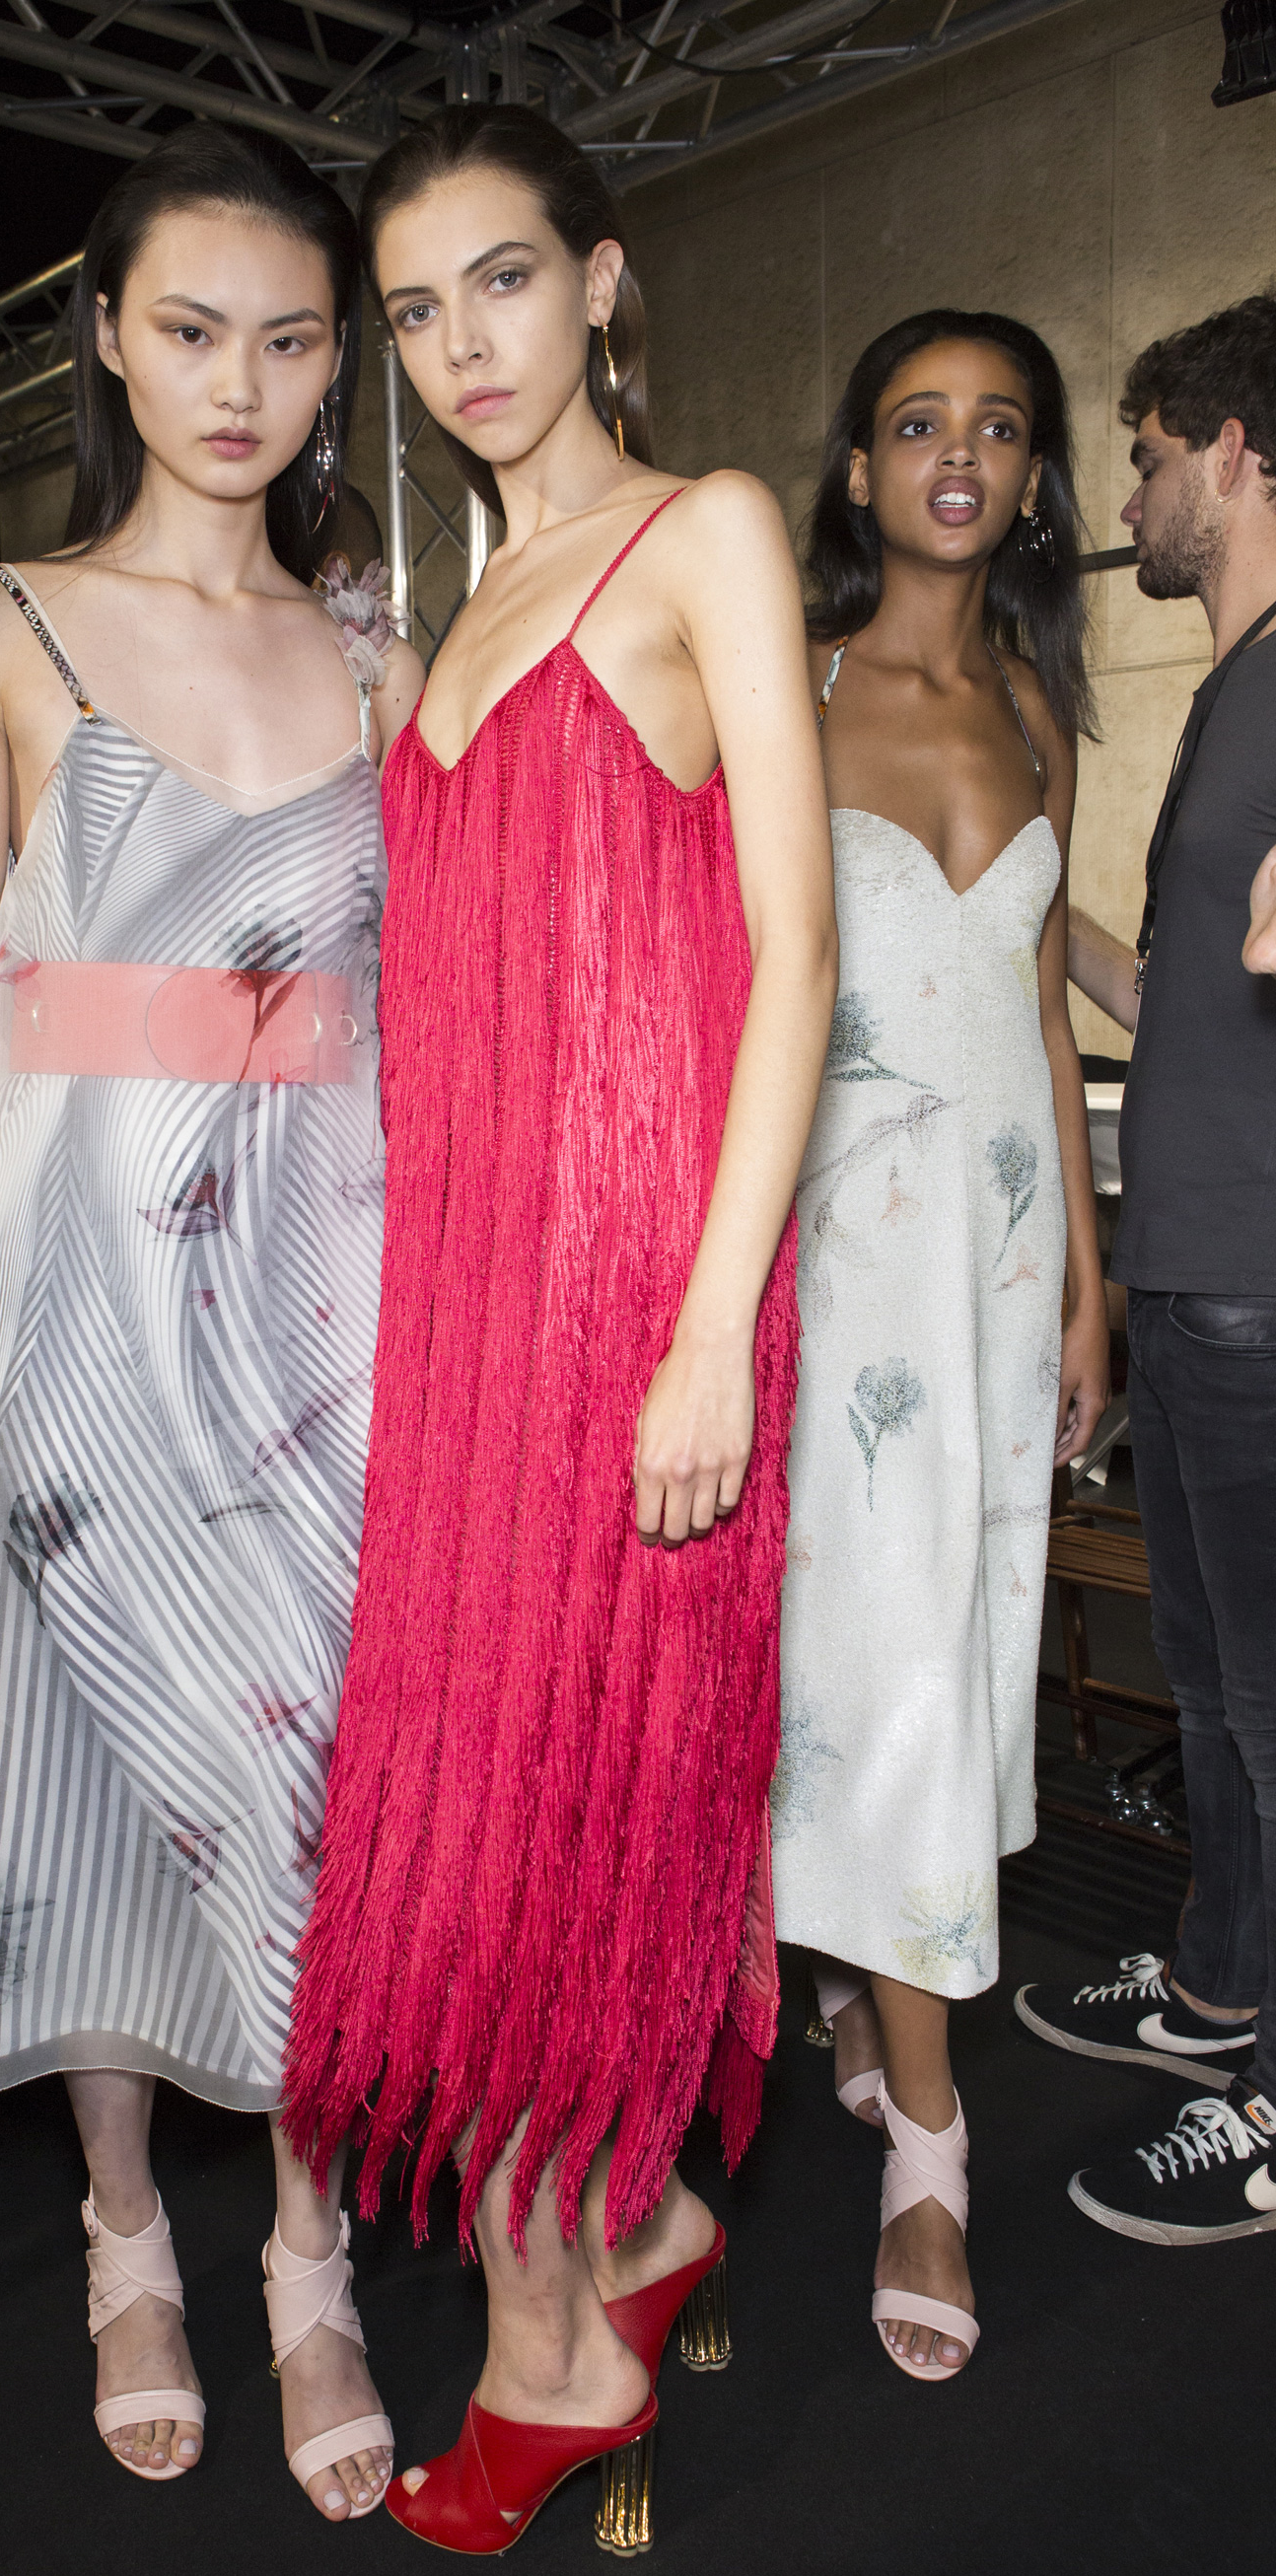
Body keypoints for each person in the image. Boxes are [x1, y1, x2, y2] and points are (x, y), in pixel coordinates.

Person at [281, 105, 837, 2556]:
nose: (460, 347)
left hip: (641, 1310)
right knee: (478, 1808)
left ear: (603, 281)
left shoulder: (703, 531)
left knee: (561, 1816)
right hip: (465, 1329)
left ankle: (554, 2344)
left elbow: (798, 960)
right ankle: (633, 2219)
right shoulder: (449, 616)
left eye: (502, 280)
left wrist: (713, 1332)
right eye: (414, 310)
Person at [0, 127, 421, 2518]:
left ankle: (308, 2244)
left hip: (323, 1281)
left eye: (292, 339)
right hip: (68, 1270)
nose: (240, 384)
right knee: (83, 1755)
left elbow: (425, 1013)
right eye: (193, 330)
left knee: (318, 1770)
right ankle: (124, 2230)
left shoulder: (383, 650)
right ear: (105, 335)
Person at [771, 311, 1108, 2380]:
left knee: (944, 1661)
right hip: (835, 1271)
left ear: (1036, 479)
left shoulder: (1038, 705)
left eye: (998, 428)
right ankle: (930, 2135)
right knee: (861, 1658)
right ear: (860, 471)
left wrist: (1083, 1276)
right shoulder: (793, 690)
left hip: (995, 1272)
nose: (958, 454)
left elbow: (1040, 1016)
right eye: (918, 423)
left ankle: (853, 1982)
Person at [1020, 292, 1276, 2244]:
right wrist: (1034, 913)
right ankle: (1220, 1990)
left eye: (1150, 457)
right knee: (1210, 1690)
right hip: (1191, 1277)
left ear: (1239, 452)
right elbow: (1182, 985)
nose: (1129, 500)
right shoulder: (1232, 687)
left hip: (1265, 1282)